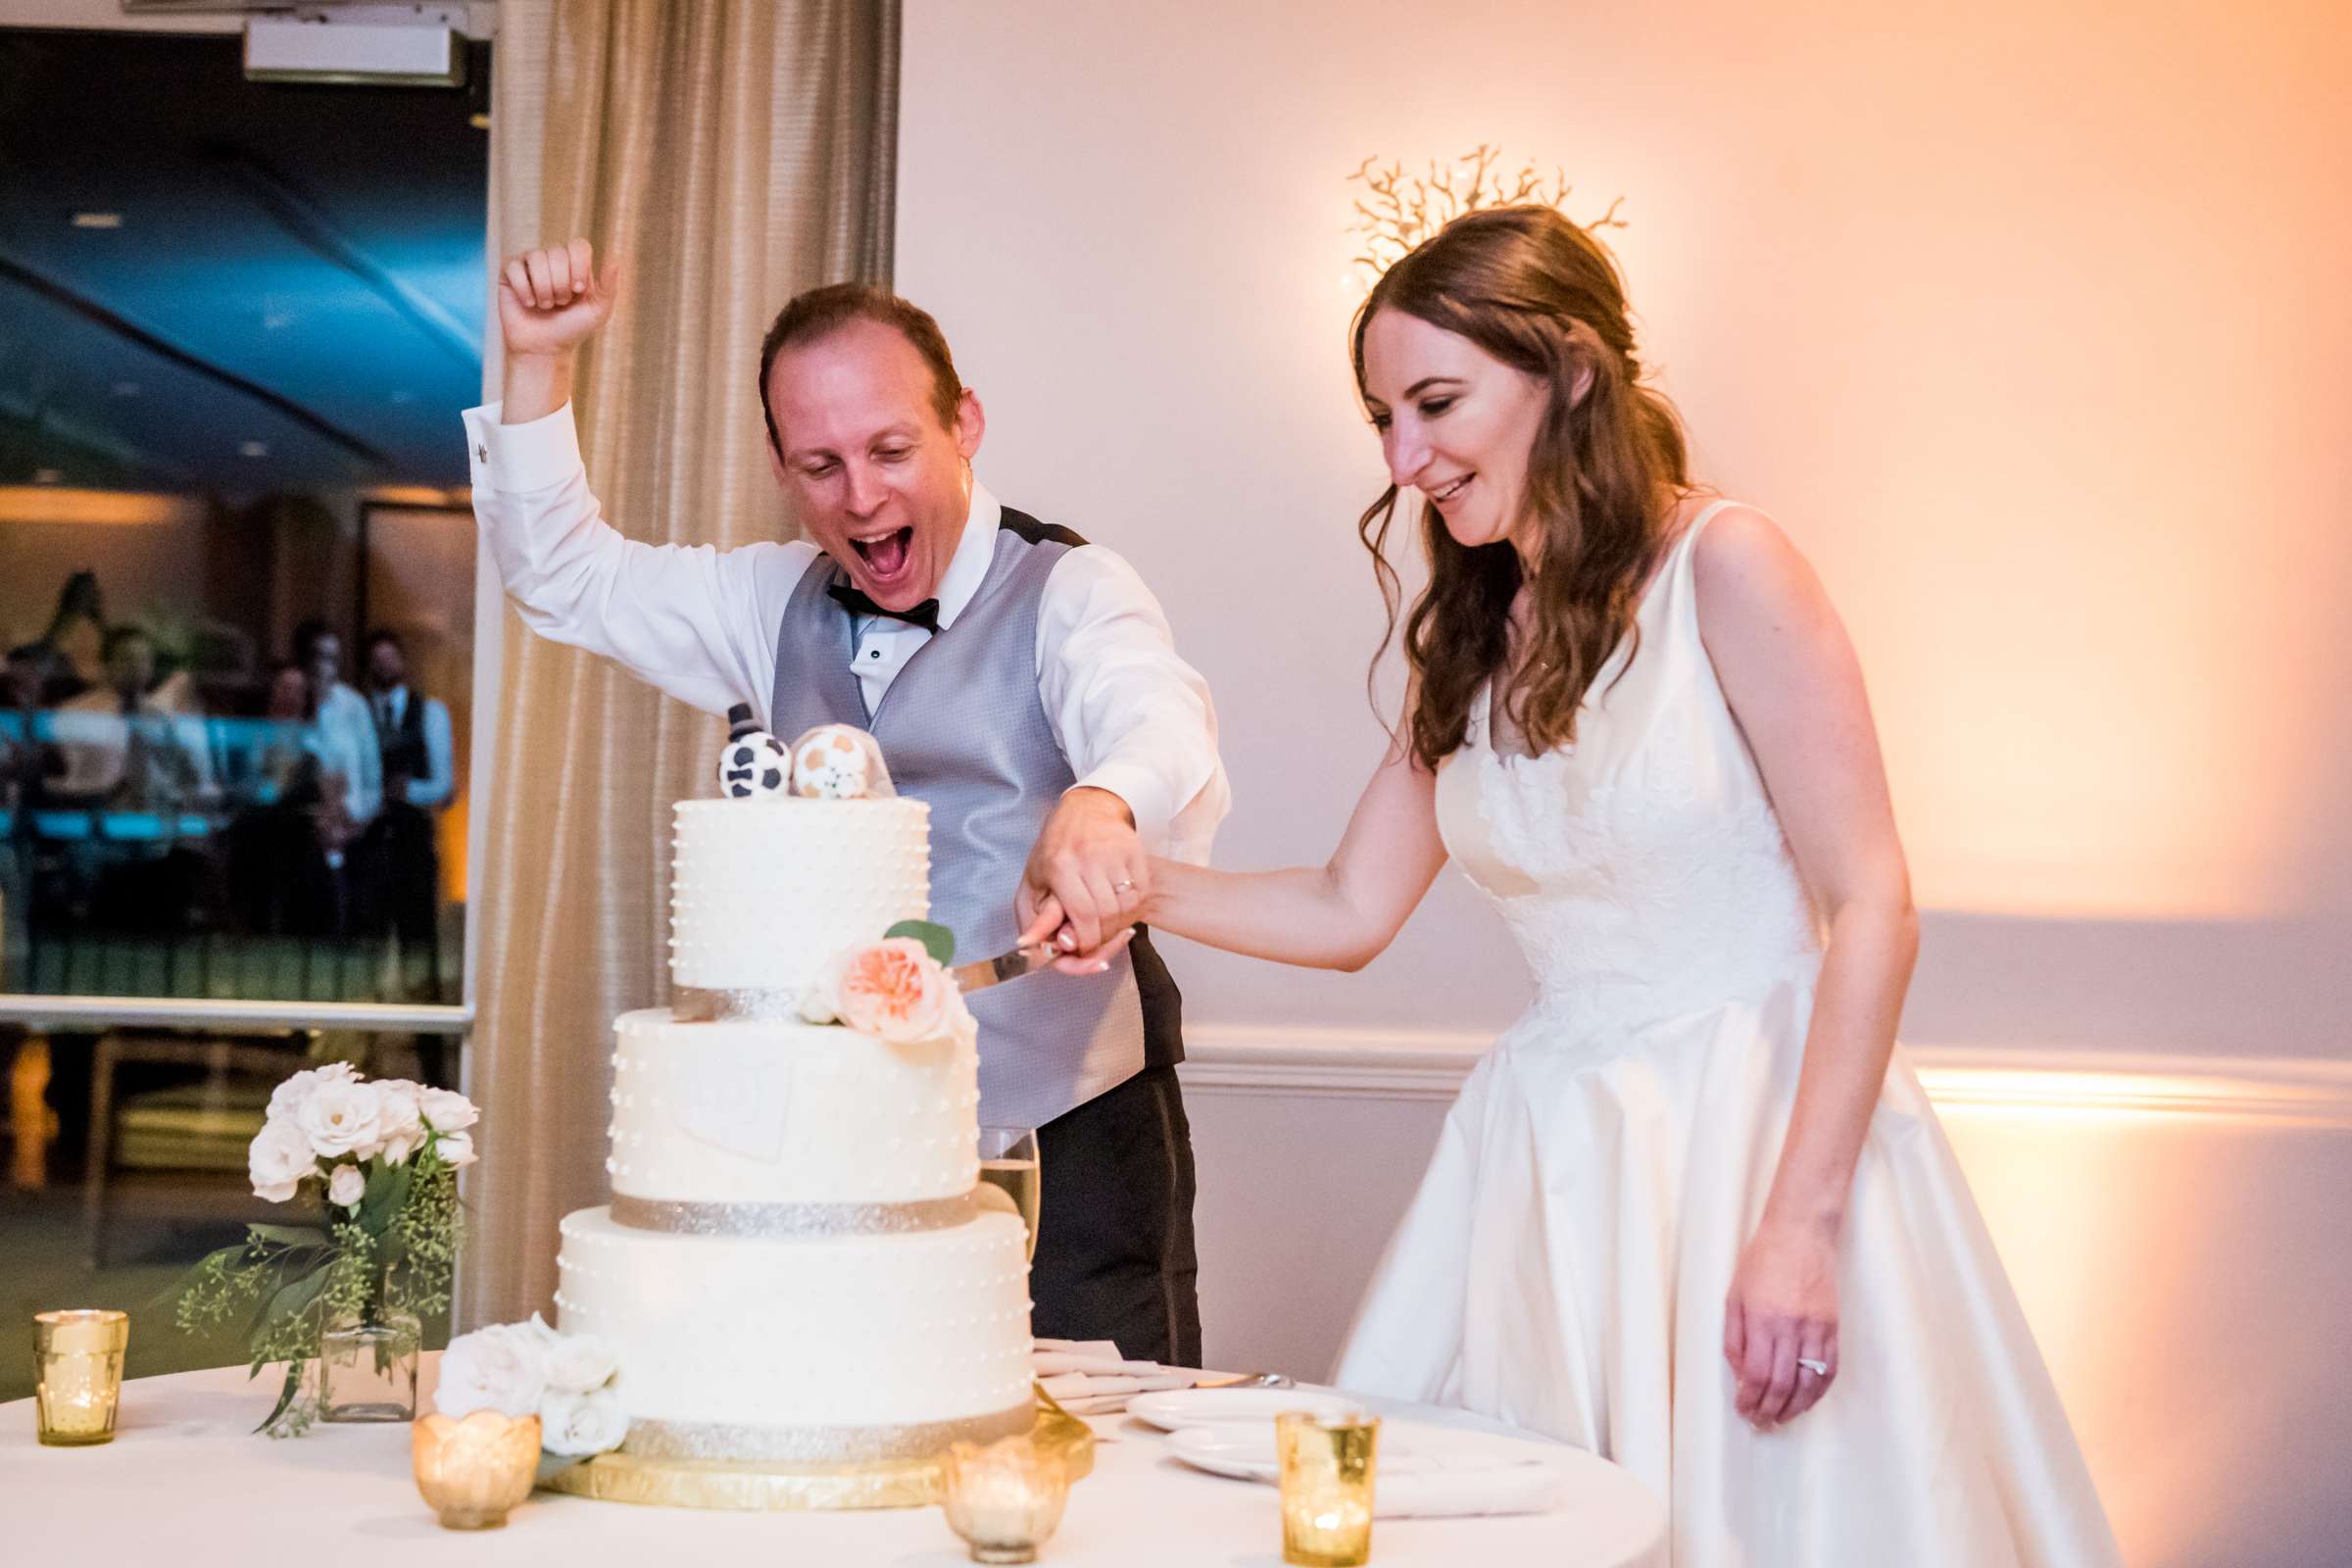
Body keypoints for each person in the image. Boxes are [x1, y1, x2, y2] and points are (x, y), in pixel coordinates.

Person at [1141, 207, 2121, 1564]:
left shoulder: (1729, 564)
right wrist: (1137, 890)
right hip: (1551, 1157)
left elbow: (1875, 906)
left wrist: (1799, 1227)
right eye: (1380, 418)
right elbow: (1346, 908)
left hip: (1754, 1139)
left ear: (1574, 372)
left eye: (1435, 404)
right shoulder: (1471, 640)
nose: (1402, 458)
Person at [464, 239, 1228, 1362]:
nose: (862, 497)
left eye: (890, 449)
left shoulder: (1071, 587)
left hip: (1064, 1128)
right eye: (820, 465)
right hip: (835, 1136)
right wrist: (538, 367)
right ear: (781, 469)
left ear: (964, 423)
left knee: (1097, 1445)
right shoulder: (764, 600)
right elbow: (570, 578)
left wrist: (1104, 802)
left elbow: (1155, 716)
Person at [357, 628, 454, 953]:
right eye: (376, 661)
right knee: (369, 937)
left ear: (402, 662)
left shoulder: (430, 711)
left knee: (418, 937)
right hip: (369, 839)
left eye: (389, 659)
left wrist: (408, 790)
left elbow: (444, 783)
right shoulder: (360, 714)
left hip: (413, 837)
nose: (383, 667)